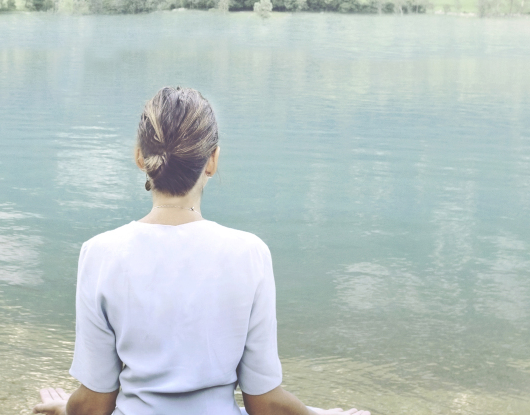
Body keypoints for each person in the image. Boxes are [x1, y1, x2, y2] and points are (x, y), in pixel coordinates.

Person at [33, 87, 369, 415]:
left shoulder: (101, 253)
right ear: (212, 160)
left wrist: (67, 408)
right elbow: (264, 404)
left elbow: (94, 406)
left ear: (140, 157)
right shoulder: (248, 254)